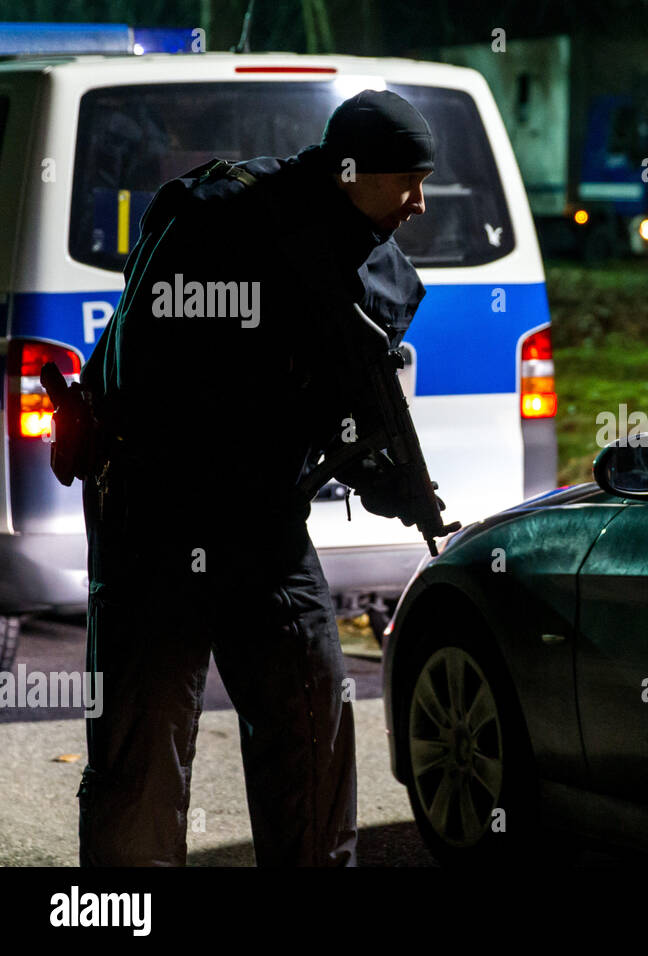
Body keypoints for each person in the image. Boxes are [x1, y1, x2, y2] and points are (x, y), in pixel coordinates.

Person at [75, 90, 435, 866]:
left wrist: (384, 476)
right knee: (140, 755)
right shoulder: (218, 215)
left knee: (312, 726)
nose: (418, 201)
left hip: (266, 524)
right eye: (405, 178)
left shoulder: (383, 271)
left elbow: (358, 405)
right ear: (350, 169)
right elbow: (141, 369)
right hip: (158, 517)